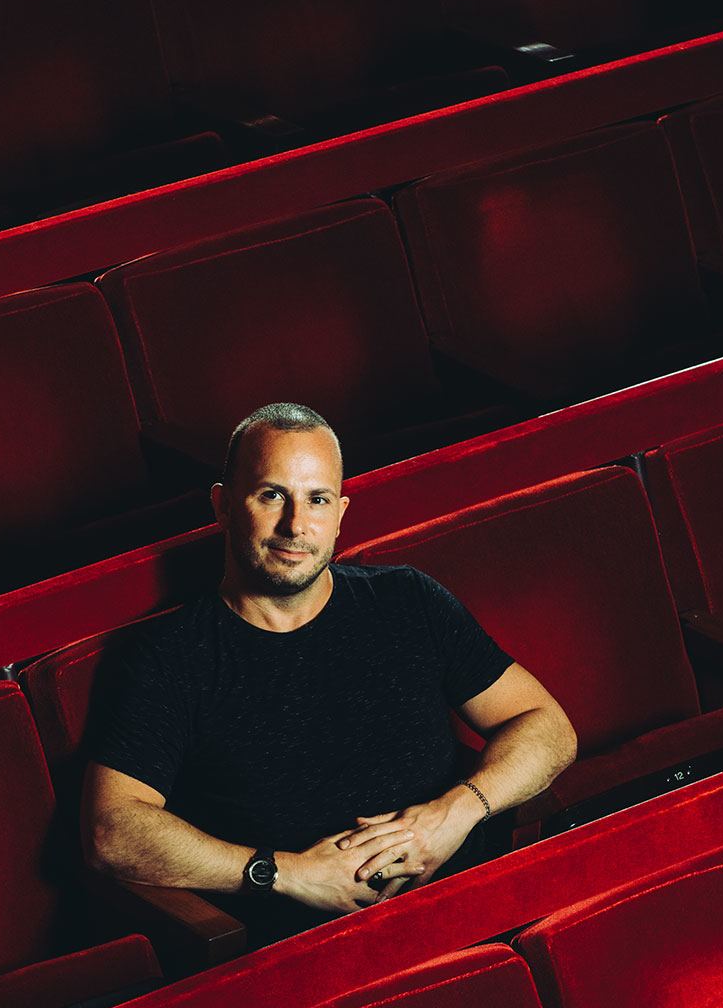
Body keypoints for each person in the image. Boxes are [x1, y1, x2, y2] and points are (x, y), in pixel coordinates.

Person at [82, 400, 578, 940]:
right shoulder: (171, 655)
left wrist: (455, 814)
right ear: (223, 506)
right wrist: (285, 873)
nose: (296, 525)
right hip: (304, 951)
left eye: (317, 500)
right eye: (272, 495)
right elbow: (113, 830)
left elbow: (546, 725)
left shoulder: (406, 599)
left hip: (474, 912)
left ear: (340, 514)